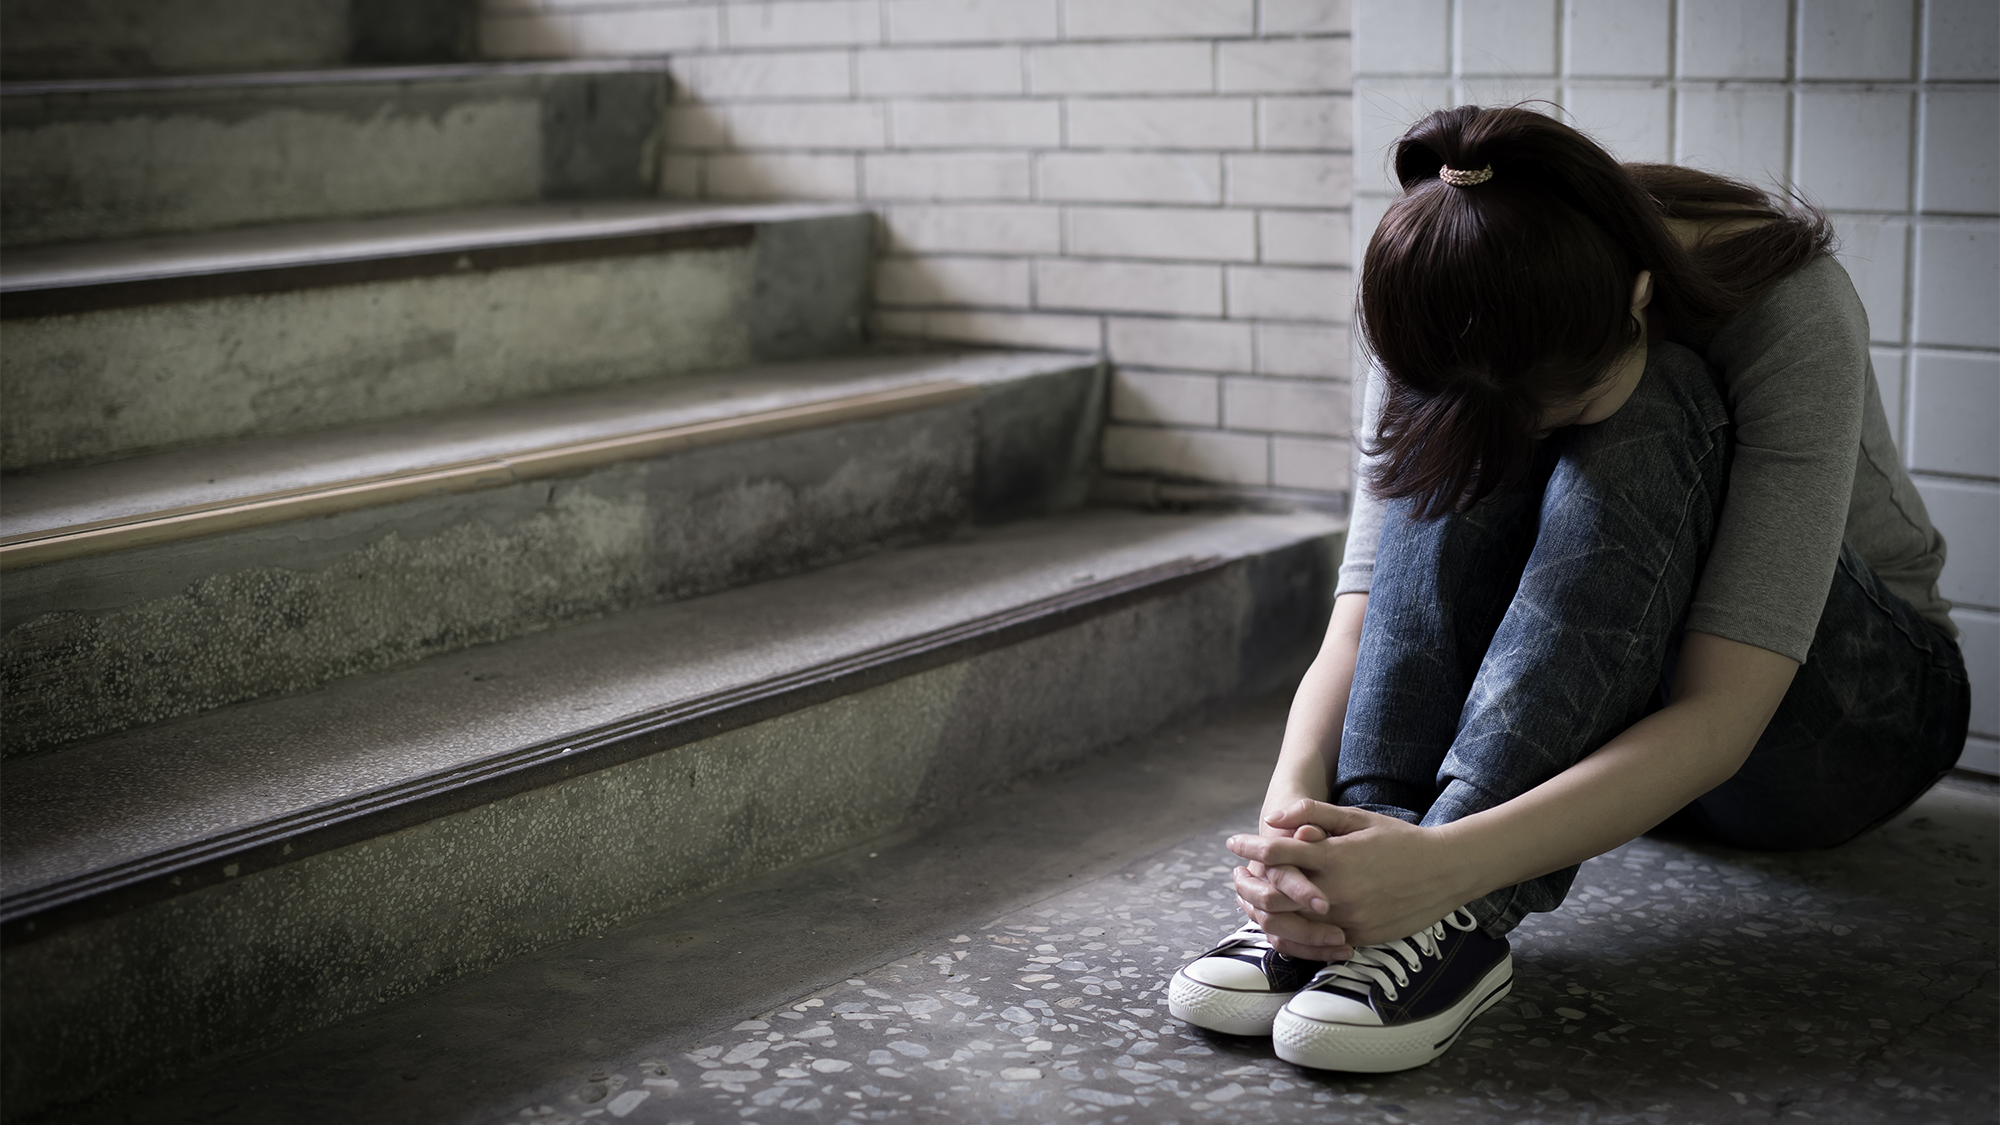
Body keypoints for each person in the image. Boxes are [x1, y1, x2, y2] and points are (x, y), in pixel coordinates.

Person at [1167, 105, 1970, 1074]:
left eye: (1566, 408)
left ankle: (1447, 912)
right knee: (1460, 418)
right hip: (1607, 728)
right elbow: (1361, 621)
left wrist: (1443, 871)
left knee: (1653, 404)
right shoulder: (1446, 286)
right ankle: (1363, 881)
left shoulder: (1787, 305)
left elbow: (1723, 716)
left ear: (1638, 293)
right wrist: (1294, 836)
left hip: (1839, 727)